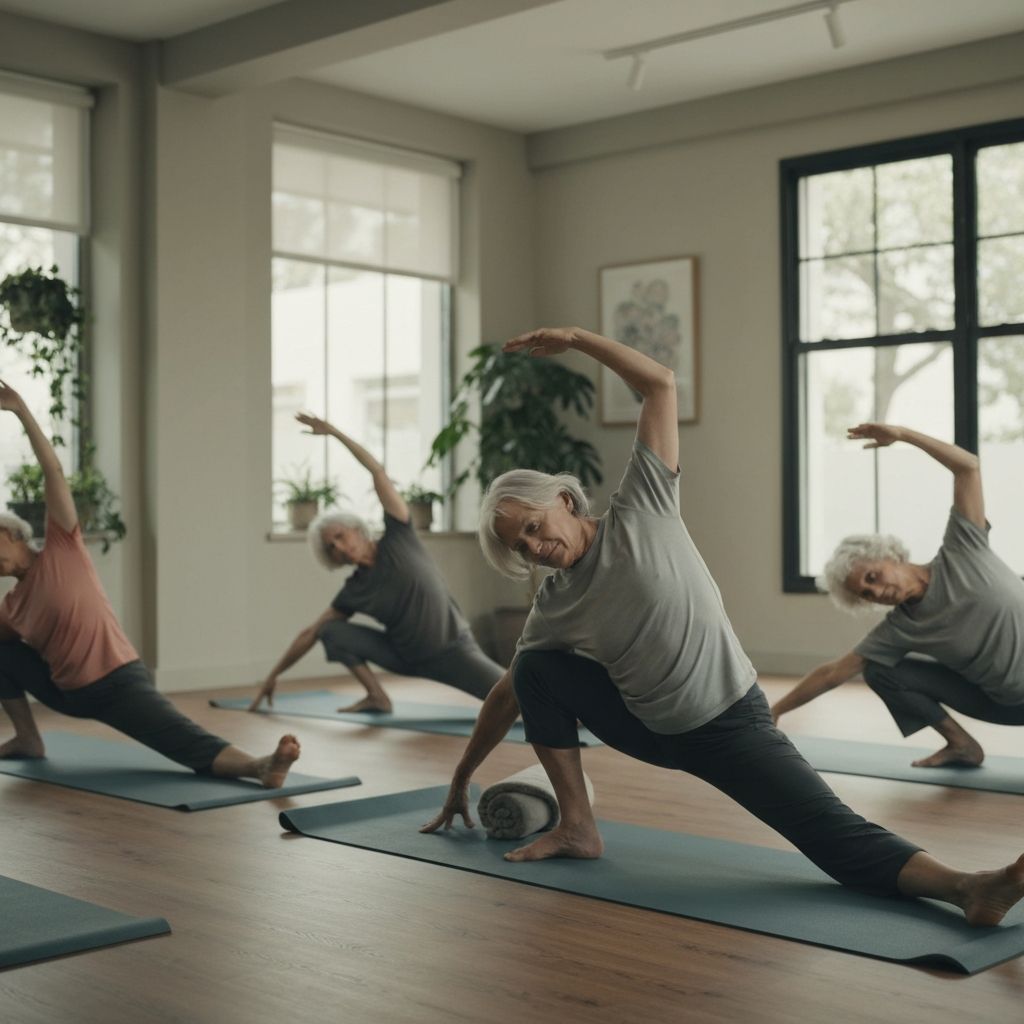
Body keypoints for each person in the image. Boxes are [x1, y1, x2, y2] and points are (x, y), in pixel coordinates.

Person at [422, 328, 1024, 928]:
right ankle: (578, 827)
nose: (534, 548)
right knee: (535, 669)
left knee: (828, 833)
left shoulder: (643, 508)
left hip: (726, 723)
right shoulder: (555, 601)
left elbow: (658, 383)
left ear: (563, 500)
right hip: (651, 730)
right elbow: (511, 691)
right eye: (520, 547)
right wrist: (462, 775)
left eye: (532, 526)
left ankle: (970, 887)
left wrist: (579, 339)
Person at [0, 380, 299, 786]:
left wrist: (21, 411)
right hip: (67, 693)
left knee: (185, 742)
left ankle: (262, 766)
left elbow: (52, 471)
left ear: (12, 533)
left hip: (114, 681)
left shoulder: (62, 549)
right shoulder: (11, 605)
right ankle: (28, 739)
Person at [771, 423, 1024, 768]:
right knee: (880, 671)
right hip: (1009, 704)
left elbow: (967, 466)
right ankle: (962, 745)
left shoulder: (963, 548)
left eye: (872, 576)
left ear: (888, 552)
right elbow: (833, 673)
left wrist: (903, 436)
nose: (877, 591)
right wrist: (774, 712)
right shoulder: (901, 628)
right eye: (867, 593)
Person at [250, 414, 504, 714]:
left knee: (519, 701)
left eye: (341, 536)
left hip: (454, 651)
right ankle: (377, 697)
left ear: (357, 529)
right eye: (331, 547)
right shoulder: (354, 589)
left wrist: (332, 431)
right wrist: (273, 676)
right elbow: (310, 633)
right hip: (405, 656)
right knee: (330, 631)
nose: (340, 548)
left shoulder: (399, 535)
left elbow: (377, 471)